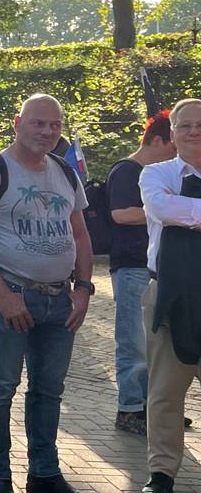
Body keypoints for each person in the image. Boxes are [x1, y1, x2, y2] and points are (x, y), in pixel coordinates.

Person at [0, 94, 92, 493]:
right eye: (38, 123)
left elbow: (81, 234)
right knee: (0, 387)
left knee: (49, 390)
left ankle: (44, 472)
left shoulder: (66, 172)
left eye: (55, 125)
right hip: (11, 296)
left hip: (60, 300)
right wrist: (3, 295)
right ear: (18, 122)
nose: (48, 132)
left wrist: (83, 289)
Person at [139, 98, 201, 493]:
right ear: (172, 133)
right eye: (186, 125)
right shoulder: (155, 173)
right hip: (168, 293)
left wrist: (188, 211)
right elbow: (165, 209)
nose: (194, 131)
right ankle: (162, 473)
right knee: (164, 390)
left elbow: (183, 211)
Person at [106, 111, 175, 435]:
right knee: (133, 342)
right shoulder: (126, 170)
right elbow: (121, 213)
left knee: (157, 343)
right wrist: (166, 208)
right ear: (157, 140)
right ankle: (130, 409)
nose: (173, 157)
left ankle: (154, 408)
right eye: (171, 148)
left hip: (153, 268)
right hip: (132, 267)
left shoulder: (157, 174)